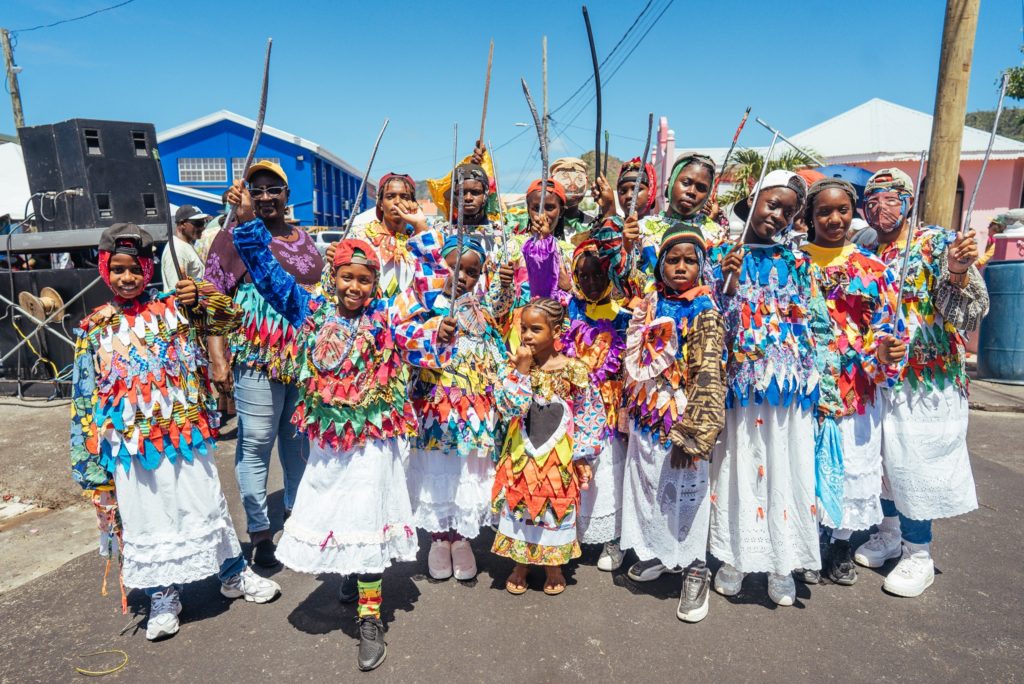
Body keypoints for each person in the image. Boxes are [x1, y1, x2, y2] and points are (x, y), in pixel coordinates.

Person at [230, 186, 446, 671]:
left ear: (375, 284)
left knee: (368, 517)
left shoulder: (388, 319)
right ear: (334, 277)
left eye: (364, 280)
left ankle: (370, 618)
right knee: (340, 511)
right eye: (347, 278)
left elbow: (432, 306)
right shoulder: (311, 313)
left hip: (375, 441)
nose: (355, 288)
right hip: (328, 443)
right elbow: (267, 277)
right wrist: (246, 224)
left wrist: (426, 235)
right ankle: (351, 571)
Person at [71, 223, 280, 643]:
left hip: (186, 434)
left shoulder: (176, 307)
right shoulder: (95, 327)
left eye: (135, 269)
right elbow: (83, 396)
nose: (126, 278)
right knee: (149, 517)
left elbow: (231, 317)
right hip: (132, 447)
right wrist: (89, 463)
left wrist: (201, 295)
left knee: (205, 505)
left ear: (149, 268)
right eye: (118, 270)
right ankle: (163, 594)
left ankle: (233, 573)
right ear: (104, 270)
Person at [853, 168, 988, 598]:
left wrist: (957, 274)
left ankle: (918, 553)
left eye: (891, 198)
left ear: (909, 200)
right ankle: (889, 532)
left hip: (926, 382)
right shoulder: (864, 245)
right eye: (872, 200)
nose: (881, 207)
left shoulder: (940, 243)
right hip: (876, 377)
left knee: (913, 464)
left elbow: (970, 314)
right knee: (883, 463)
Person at [709, 170, 824, 607]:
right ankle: (735, 556)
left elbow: (816, 321)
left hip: (789, 386)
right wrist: (729, 282)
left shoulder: (799, 261)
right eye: (771, 204)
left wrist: (823, 386)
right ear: (752, 202)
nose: (777, 216)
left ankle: (782, 561)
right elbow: (712, 316)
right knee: (740, 467)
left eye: (789, 211)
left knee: (784, 468)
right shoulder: (723, 254)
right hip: (742, 385)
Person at [205, 160, 322, 568]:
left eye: (275, 189)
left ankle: (297, 516)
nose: (267, 196)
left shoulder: (304, 239)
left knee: (297, 441)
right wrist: (218, 359)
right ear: (246, 195)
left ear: (288, 195)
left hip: (303, 358)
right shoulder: (232, 237)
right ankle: (259, 531)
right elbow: (213, 299)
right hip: (256, 353)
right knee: (255, 440)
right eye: (258, 190)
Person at [798, 178, 906, 586]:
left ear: (853, 212)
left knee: (851, 467)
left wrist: (884, 352)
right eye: (824, 211)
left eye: (842, 210)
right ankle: (806, 544)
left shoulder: (875, 269)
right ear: (810, 216)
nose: (834, 218)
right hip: (802, 386)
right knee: (804, 467)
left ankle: (841, 544)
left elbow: (889, 329)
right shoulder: (792, 262)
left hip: (853, 387)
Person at [401, 233, 524, 581]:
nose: (461, 277)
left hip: (474, 412)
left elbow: (500, 317)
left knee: (466, 469)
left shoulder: (481, 310)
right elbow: (408, 343)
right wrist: (434, 330)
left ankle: (461, 539)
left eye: (470, 272)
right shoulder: (424, 306)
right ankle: (439, 538)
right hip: (435, 409)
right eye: (453, 267)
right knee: (439, 467)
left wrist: (504, 283)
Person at [618, 222, 726, 623]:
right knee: (651, 489)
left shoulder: (706, 311)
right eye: (673, 260)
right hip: (649, 416)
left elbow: (710, 376)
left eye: (690, 261)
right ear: (660, 264)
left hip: (682, 421)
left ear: (702, 266)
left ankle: (696, 568)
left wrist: (693, 437)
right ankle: (664, 555)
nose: (681, 267)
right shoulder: (651, 302)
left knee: (686, 493)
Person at [491, 297, 603, 596]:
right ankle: (521, 563)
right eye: (523, 328)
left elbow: (589, 413)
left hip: (557, 458)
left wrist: (582, 457)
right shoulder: (512, 367)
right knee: (522, 504)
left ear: (556, 330)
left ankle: (553, 565)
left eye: (535, 329)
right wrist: (522, 372)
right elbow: (510, 407)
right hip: (521, 456)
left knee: (554, 505)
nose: (526, 335)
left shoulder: (574, 370)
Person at [561, 240, 631, 571]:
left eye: (597, 275)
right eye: (582, 276)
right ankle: (571, 531)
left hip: (608, 404)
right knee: (575, 465)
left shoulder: (623, 315)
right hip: (574, 403)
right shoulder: (568, 310)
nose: (590, 282)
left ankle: (611, 537)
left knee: (608, 470)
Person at [160, 205, 210, 290]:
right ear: (182, 224)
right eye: (198, 223)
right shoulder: (177, 249)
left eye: (204, 222)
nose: (202, 227)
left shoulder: (186, 244)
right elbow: (176, 289)